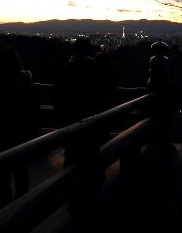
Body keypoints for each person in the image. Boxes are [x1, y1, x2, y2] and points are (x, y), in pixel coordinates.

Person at [53, 38, 103, 229]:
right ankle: (93, 198)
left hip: (71, 122)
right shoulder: (96, 70)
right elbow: (104, 96)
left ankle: (73, 200)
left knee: (71, 159)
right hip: (93, 123)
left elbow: (57, 98)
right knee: (92, 157)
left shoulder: (66, 69)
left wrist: (62, 119)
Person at [0, 48, 40, 208]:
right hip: (21, 129)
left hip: (0, 129)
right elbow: (34, 105)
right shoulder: (26, 78)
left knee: (2, 173)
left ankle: (4, 206)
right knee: (21, 169)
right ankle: (21, 205)